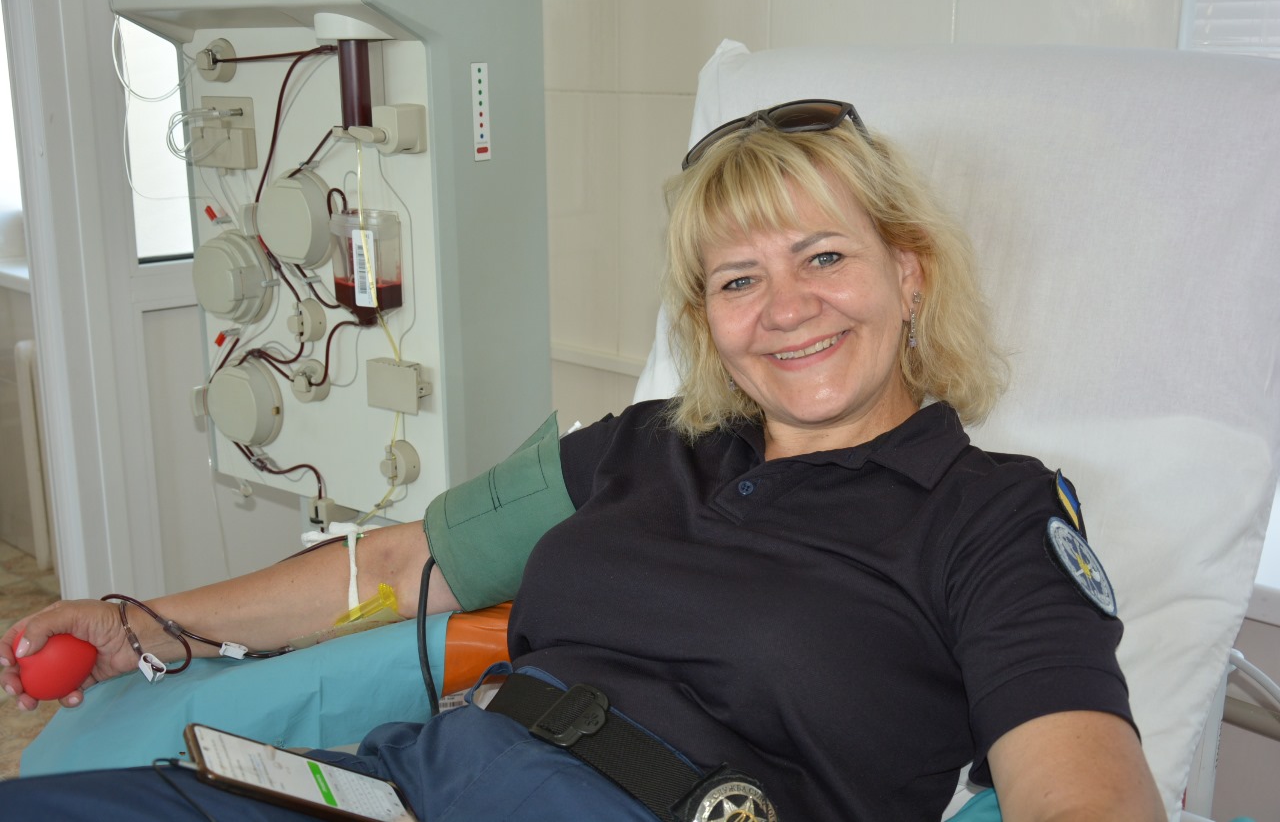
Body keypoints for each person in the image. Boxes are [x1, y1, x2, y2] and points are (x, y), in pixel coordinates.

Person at [0, 99, 1164, 821]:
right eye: (738, 279)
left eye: (823, 257)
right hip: (406, 784)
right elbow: (401, 566)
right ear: (706, 318)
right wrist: (147, 620)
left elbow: (1082, 790)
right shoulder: (643, 444)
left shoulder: (990, 517)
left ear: (906, 275)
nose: (784, 308)